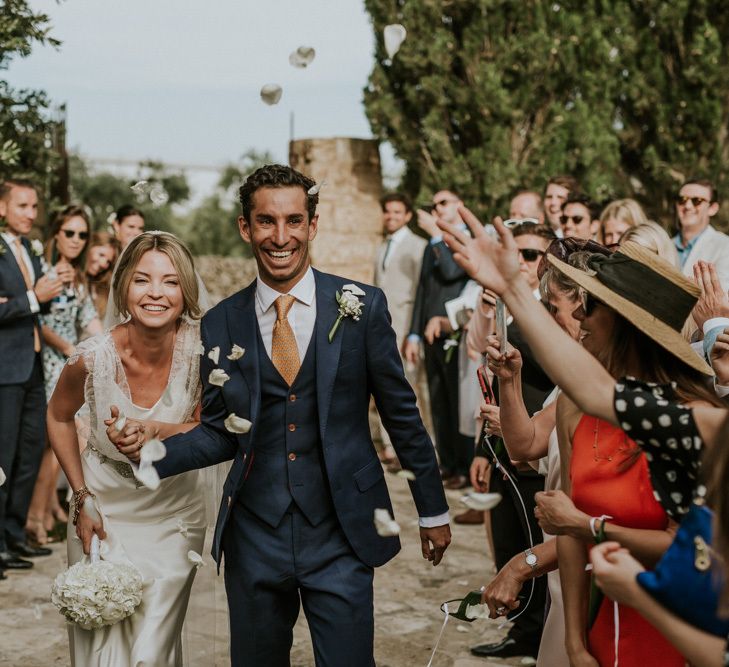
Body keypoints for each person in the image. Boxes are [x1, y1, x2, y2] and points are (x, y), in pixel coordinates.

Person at [149, 164, 451, 667]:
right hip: (254, 536)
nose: (280, 236)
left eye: (294, 220)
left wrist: (433, 509)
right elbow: (221, 432)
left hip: (343, 532)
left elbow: (402, 415)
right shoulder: (222, 321)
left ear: (313, 224)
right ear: (246, 228)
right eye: (266, 222)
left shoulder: (361, 306)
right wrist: (148, 454)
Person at [438, 209, 729, 667]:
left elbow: (699, 553)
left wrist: (587, 528)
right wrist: (575, 642)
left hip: (672, 633)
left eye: (591, 305)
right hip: (596, 624)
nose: (579, 314)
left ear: (626, 324)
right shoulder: (617, 406)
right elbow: (590, 391)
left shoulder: (701, 421)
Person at [47, 232, 209, 666]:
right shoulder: (91, 358)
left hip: (173, 510)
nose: (155, 293)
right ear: (124, 288)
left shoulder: (202, 353)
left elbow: (206, 426)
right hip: (104, 507)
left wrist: (156, 431)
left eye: (170, 282)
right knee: (102, 651)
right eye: (142, 280)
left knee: (148, 653)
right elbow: (59, 416)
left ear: (186, 290)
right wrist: (81, 498)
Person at [468, 221, 555, 661]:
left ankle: (542, 636)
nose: (521, 261)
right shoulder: (505, 306)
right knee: (507, 541)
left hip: (541, 447)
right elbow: (488, 382)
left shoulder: (554, 315)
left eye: (531, 253)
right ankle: (521, 632)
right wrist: (484, 449)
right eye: (515, 252)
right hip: (503, 442)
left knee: (538, 544)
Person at [25, 205, 102, 546]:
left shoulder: (79, 277)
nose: (75, 239)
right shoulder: (43, 270)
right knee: (50, 446)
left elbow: (89, 321)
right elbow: (38, 320)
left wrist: (102, 350)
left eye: (82, 234)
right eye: (69, 232)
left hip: (71, 361)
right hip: (49, 361)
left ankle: (39, 516)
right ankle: (34, 517)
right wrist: (73, 349)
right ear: (56, 233)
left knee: (60, 447)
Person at [0, 178, 65, 571]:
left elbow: (32, 307)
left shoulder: (31, 252)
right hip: (5, 370)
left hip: (34, 368)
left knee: (28, 455)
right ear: (2, 208)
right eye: (23, 205)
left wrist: (50, 291)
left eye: (34, 206)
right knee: (3, 458)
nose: (31, 213)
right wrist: (31, 298)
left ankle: (14, 534)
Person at [404, 188, 473, 488]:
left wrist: (436, 236)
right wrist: (414, 333)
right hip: (429, 335)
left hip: (455, 331)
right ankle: (446, 463)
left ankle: (463, 467)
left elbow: (450, 271)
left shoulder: (466, 239)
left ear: (460, 205)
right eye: (434, 205)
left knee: (458, 402)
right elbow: (423, 290)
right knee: (438, 403)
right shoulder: (431, 245)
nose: (437, 209)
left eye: (443, 203)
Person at [373, 192, 427, 464]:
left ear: (407, 215)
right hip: (382, 327)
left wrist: (414, 332)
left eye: (397, 212)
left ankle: (413, 446)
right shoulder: (381, 247)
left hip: (406, 327)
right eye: (388, 211)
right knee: (384, 384)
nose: (391, 216)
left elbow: (421, 291)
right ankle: (391, 447)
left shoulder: (419, 246)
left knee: (408, 386)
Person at [673, 178, 729, 289]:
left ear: (712, 209)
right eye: (682, 199)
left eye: (697, 200)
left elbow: (720, 297)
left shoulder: (725, 246)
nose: (688, 206)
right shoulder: (663, 244)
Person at [85, 231, 118, 319]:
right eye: (101, 255)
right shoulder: (68, 275)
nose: (104, 264)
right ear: (89, 247)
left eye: (108, 261)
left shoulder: (100, 290)